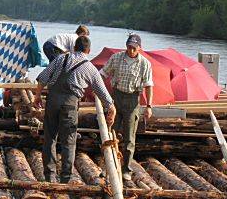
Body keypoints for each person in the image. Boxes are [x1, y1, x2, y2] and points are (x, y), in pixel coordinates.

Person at [33, 36, 116, 183]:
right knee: (68, 142)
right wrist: (111, 107)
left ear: (74, 47)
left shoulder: (60, 59)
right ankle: (65, 179)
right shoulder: (89, 68)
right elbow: (101, 91)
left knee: (50, 139)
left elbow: (43, 77)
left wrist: (37, 96)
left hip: (52, 101)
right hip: (69, 105)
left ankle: (49, 177)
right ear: (88, 50)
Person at [100, 34, 153, 181]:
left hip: (132, 100)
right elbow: (103, 74)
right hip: (115, 98)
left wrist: (149, 105)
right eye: (129, 47)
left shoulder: (145, 64)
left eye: (134, 48)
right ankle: (107, 167)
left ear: (139, 48)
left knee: (129, 138)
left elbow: (149, 86)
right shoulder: (116, 58)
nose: (131, 50)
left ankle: (126, 170)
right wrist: (97, 89)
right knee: (111, 133)